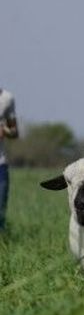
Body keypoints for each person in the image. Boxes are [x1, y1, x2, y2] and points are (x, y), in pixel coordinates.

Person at [0, 88, 18, 232]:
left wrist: (5, 131)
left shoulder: (7, 98)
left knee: (0, 211)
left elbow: (14, 132)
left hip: (1, 164)